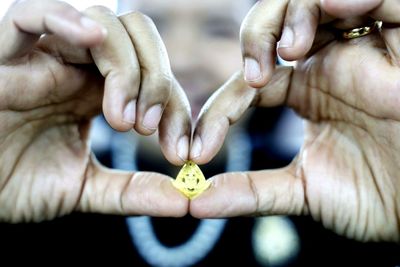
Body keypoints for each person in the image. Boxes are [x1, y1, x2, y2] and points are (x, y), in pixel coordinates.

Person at [189, 0, 400, 243]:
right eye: (157, 26)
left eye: (218, 30)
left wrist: (393, 207)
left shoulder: (326, 182)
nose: (183, 60)